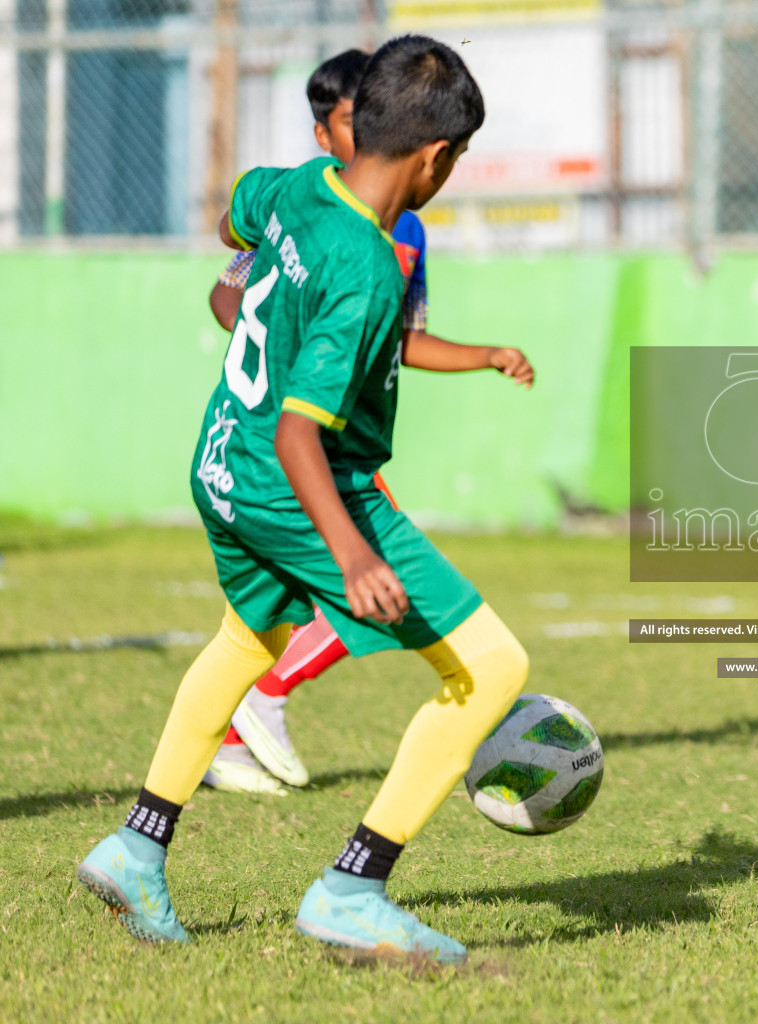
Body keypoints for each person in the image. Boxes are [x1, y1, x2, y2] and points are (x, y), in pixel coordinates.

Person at [77, 35, 526, 962]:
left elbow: (232, 230)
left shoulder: (288, 188)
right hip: (294, 482)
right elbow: (300, 433)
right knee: (489, 667)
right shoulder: (370, 267)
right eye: (461, 160)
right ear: (437, 157)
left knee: (250, 636)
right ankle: (353, 888)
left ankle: (136, 845)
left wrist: (267, 305)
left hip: (219, 463)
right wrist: (354, 553)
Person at [203, 48, 534, 796]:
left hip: (341, 436)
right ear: (327, 134)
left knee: (269, 621)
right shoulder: (310, 208)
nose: (364, 136)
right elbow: (230, 294)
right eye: (350, 123)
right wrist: (289, 363)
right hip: (295, 441)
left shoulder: (406, 235)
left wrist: (483, 354)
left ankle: (218, 751)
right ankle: (264, 710)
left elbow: (398, 338)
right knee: (370, 584)